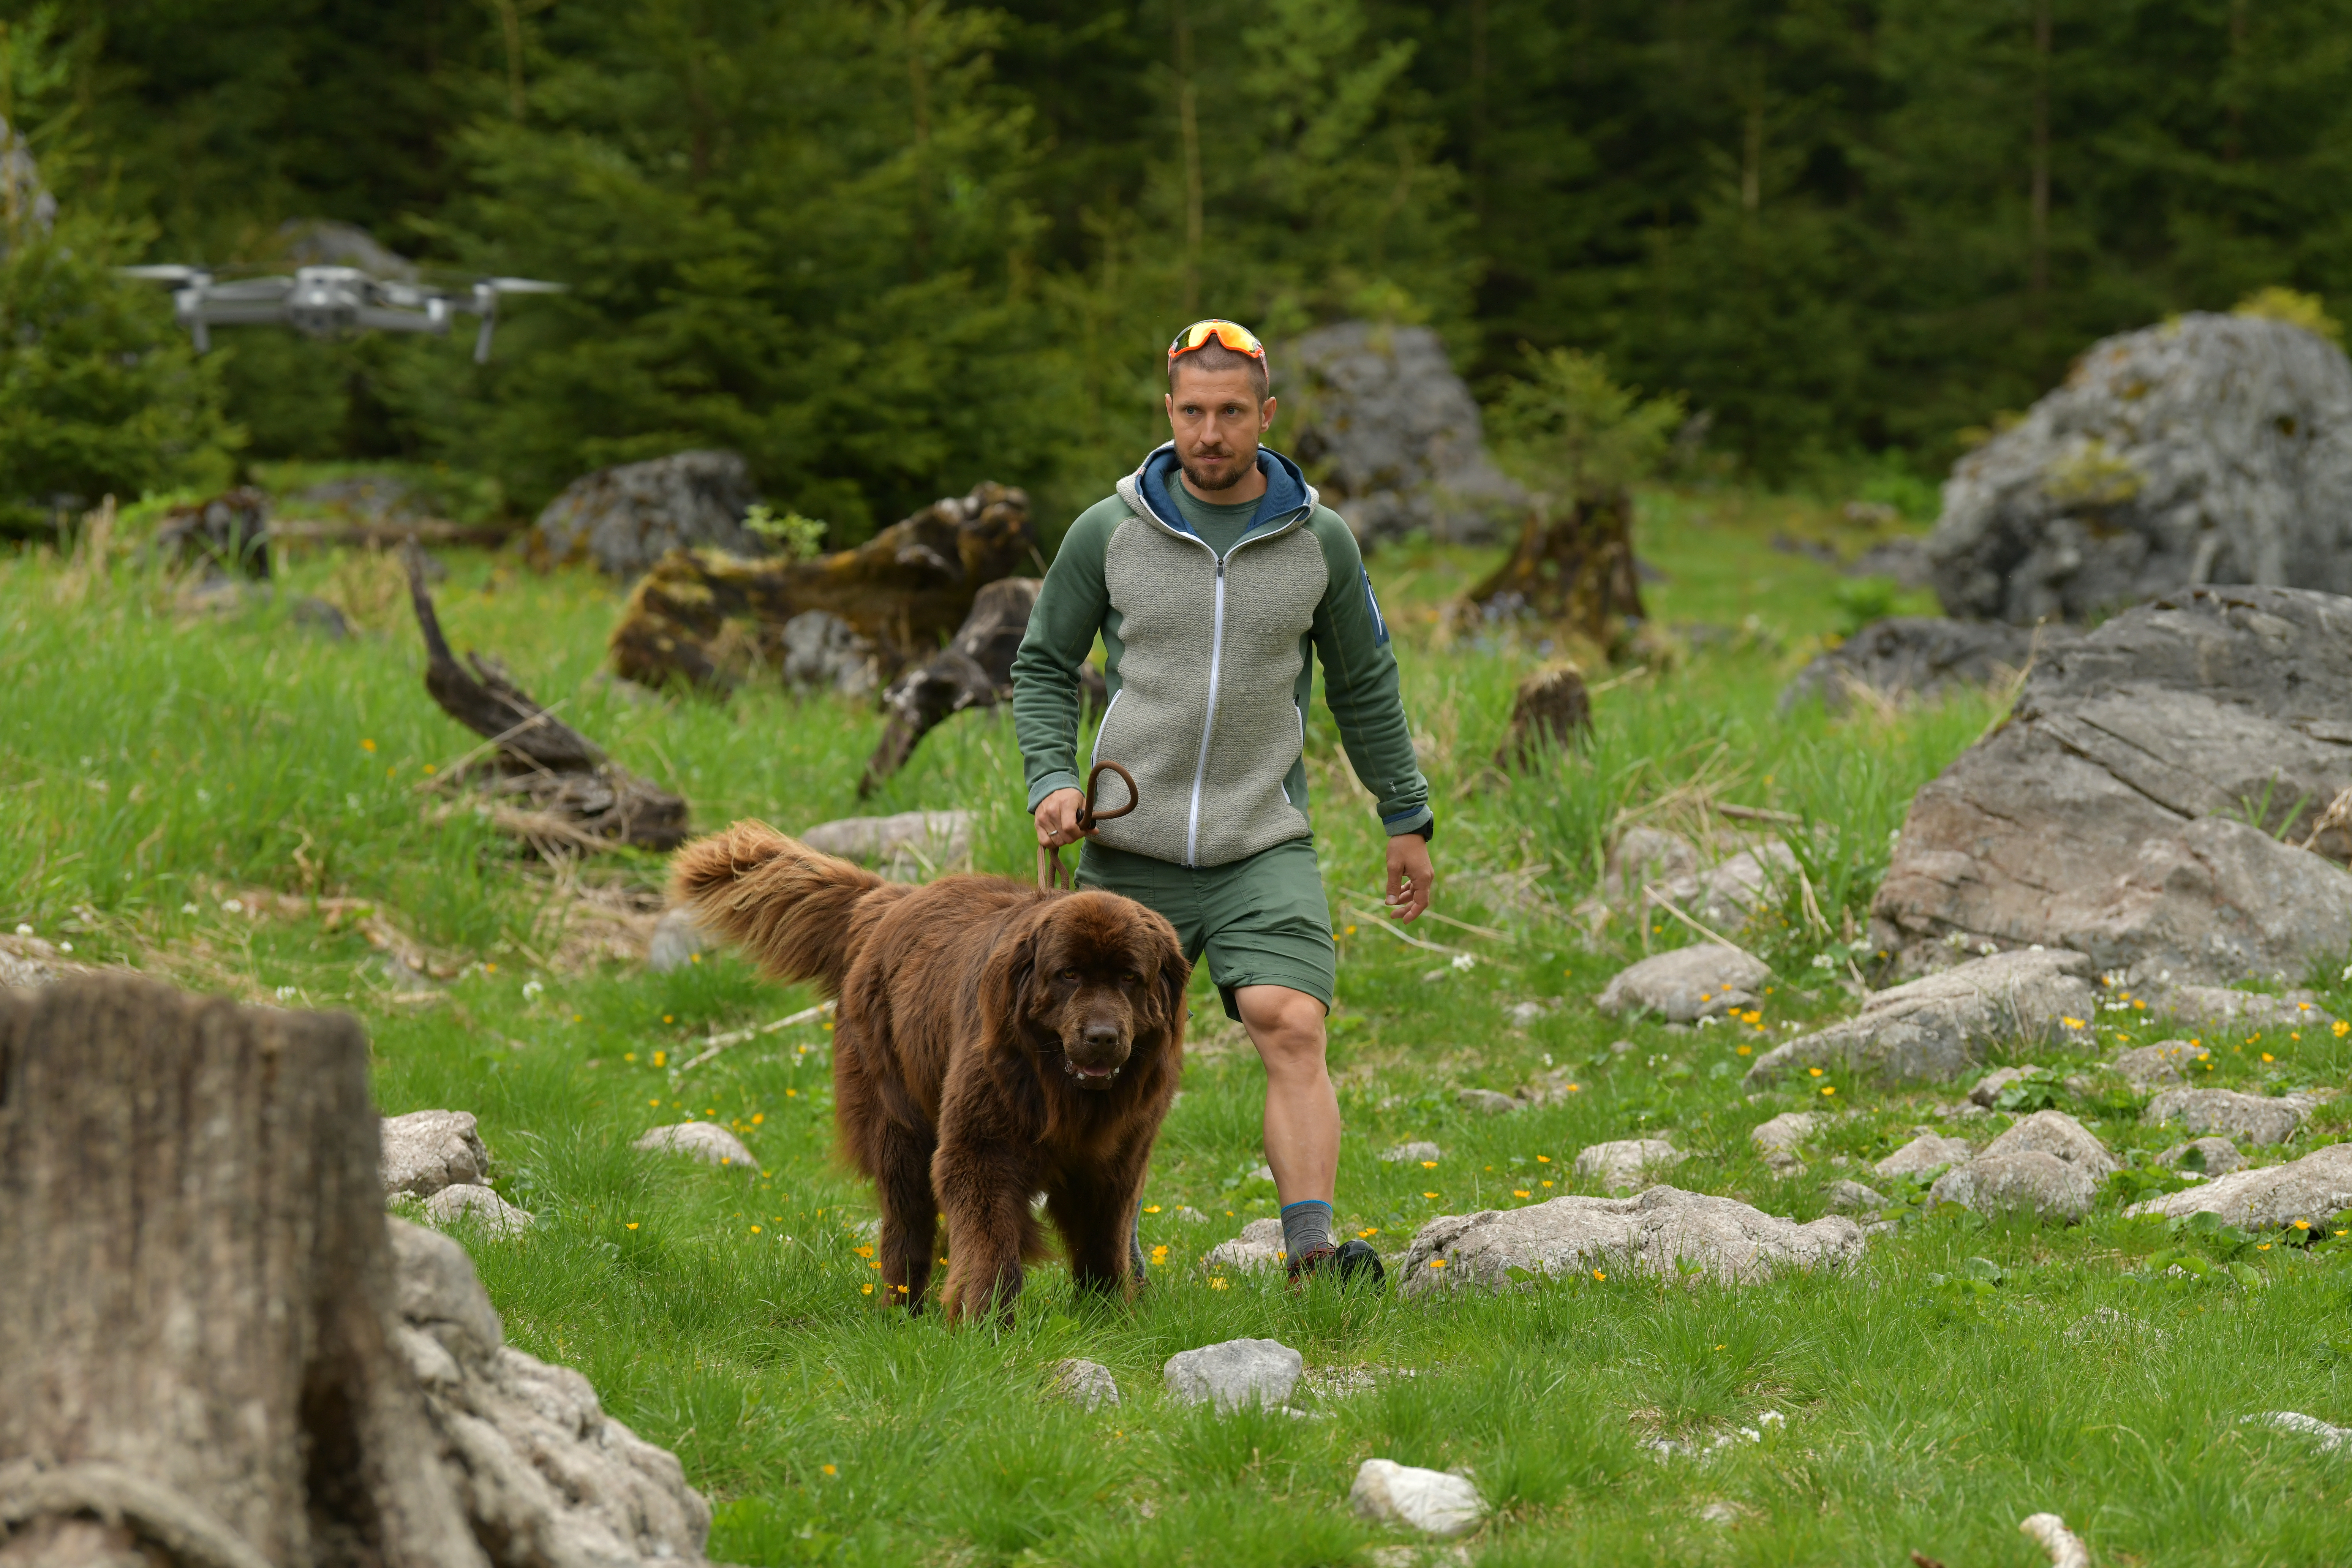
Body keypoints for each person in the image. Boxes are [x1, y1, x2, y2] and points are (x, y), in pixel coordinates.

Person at [1009, 317, 1435, 1285]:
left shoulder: (1319, 540)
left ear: (1266, 416)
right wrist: (1052, 779)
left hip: (1260, 840)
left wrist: (1404, 817)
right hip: (1127, 847)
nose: (1211, 433)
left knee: (1291, 1021)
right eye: (1194, 413)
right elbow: (1042, 666)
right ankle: (1104, 1254)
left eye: (1232, 414)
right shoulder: (1107, 532)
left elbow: (1366, 683)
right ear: (1169, 414)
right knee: (1098, 1052)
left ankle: (1312, 1254)